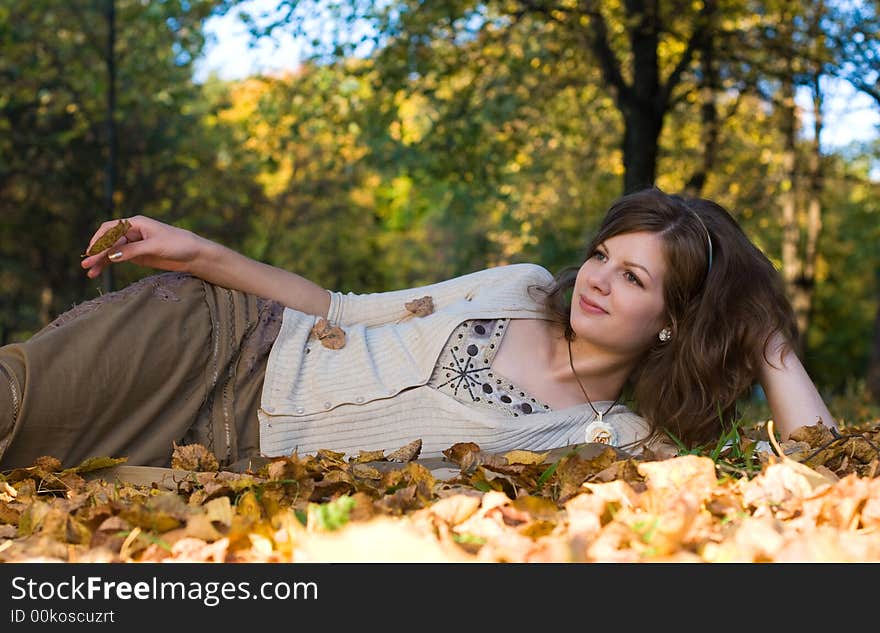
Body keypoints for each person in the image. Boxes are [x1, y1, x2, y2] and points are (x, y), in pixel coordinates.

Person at [0, 187, 836, 471]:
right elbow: (345, 310)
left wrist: (767, 341)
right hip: (224, 344)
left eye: (634, 277)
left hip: (230, 456)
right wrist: (200, 253)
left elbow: (823, 481)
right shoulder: (519, 284)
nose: (596, 278)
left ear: (674, 322)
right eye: (603, 253)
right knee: (12, 405)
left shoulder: (617, 441)